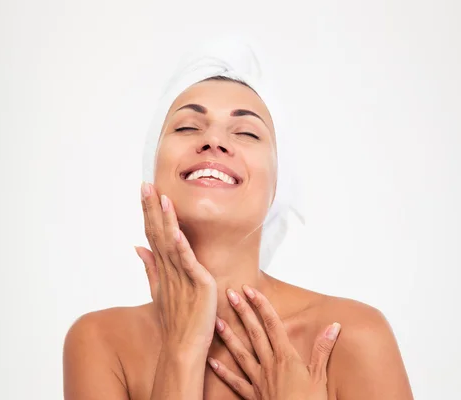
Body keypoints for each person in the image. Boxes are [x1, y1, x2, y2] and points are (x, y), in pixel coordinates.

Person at [63, 39, 414, 400]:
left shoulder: (351, 336)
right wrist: (182, 347)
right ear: (153, 170)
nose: (214, 140)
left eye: (247, 133)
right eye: (186, 127)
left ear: (279, 186)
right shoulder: (100, 341)